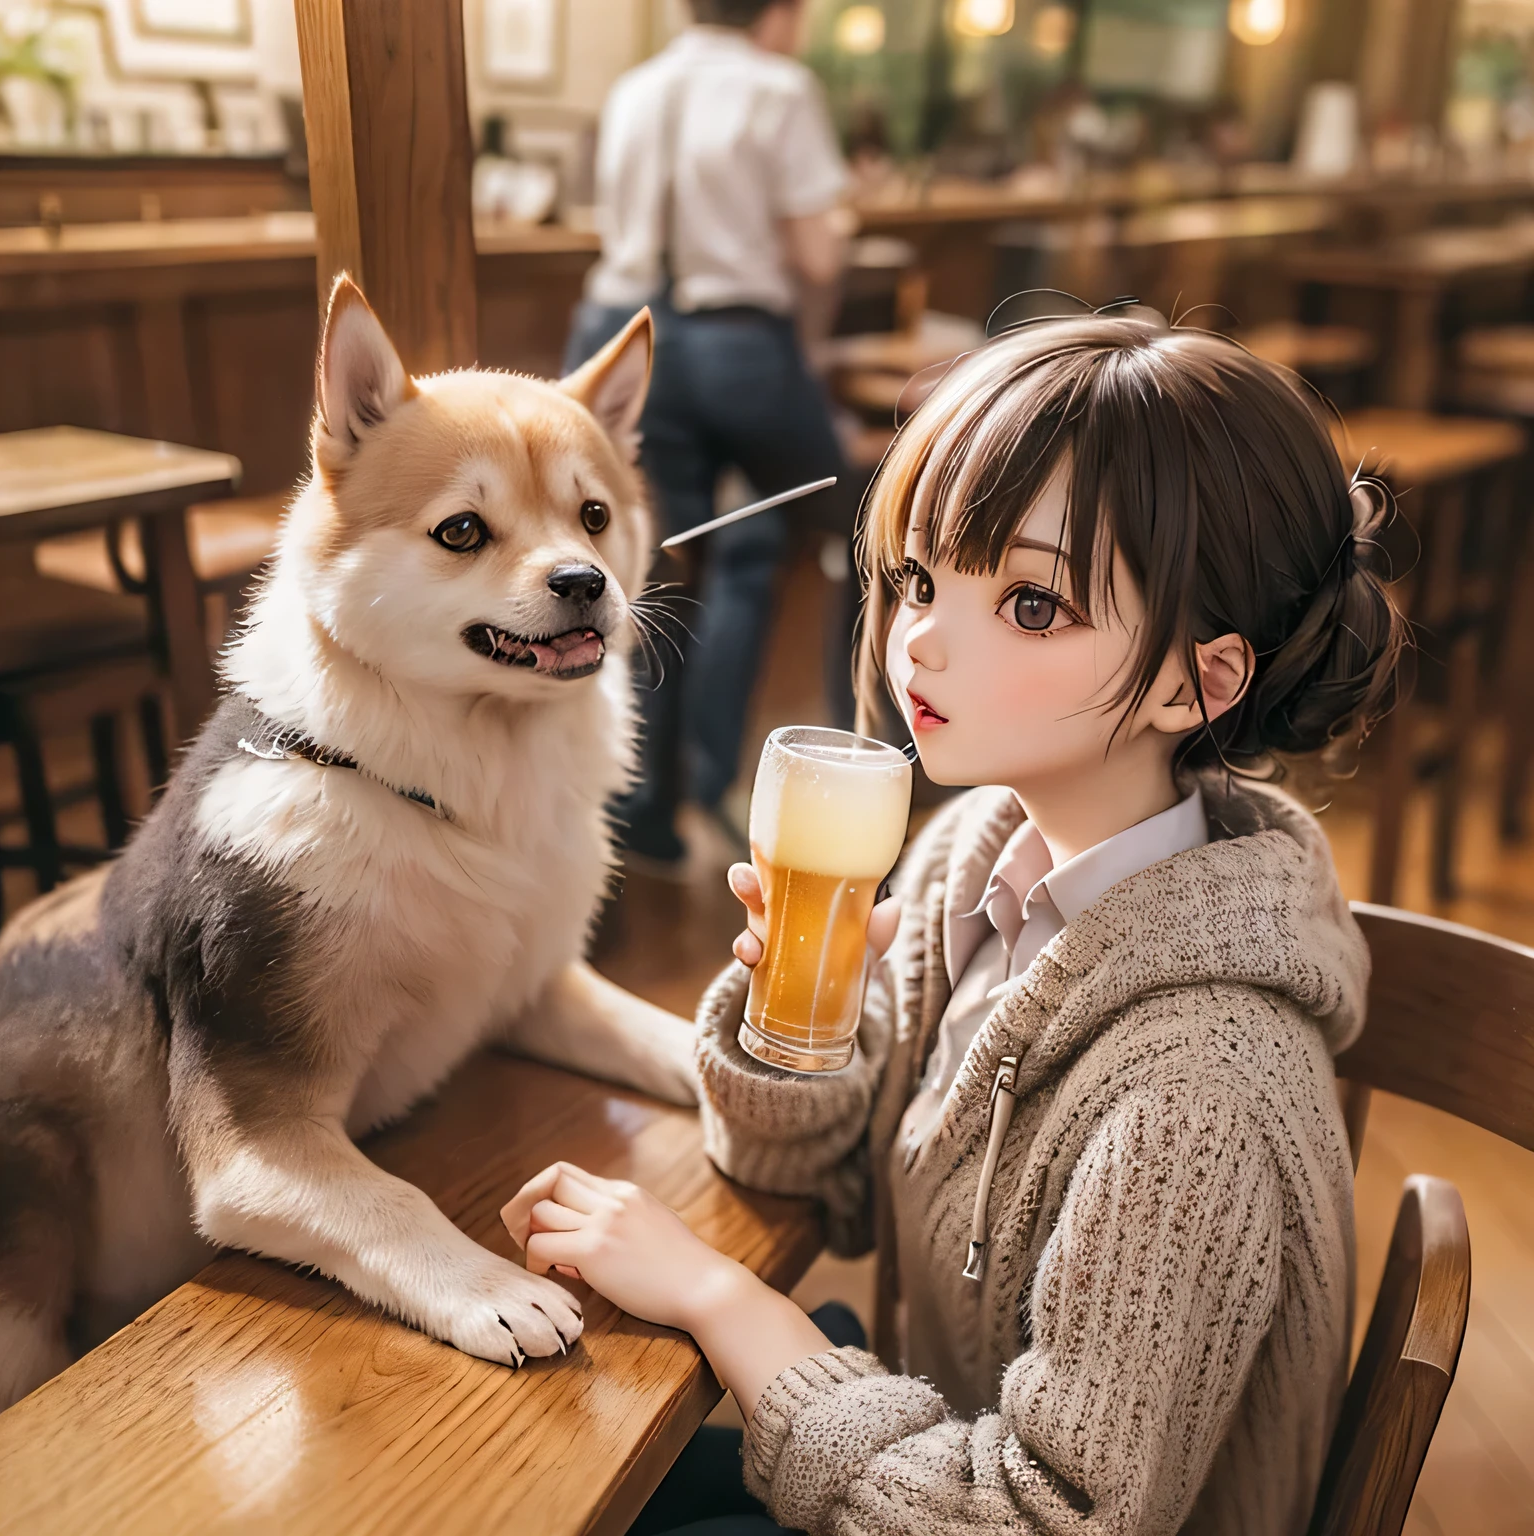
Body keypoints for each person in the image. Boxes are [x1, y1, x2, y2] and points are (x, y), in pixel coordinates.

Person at [504, 314, 1405, 1535]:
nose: (920, 634)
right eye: (922, 578)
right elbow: (824, 1183)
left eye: (1031, 604)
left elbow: (1047, 1520)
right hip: (930, 1451)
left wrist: (728, 1303)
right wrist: (795, 1024)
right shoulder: (974, 864)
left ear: (1201, 680)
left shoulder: (1196, 1093)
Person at [565, 0, 852, 869]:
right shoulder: (780, 88)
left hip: (625, 336)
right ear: (780, 10)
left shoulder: (634, 87)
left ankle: (650, 807)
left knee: (669, 558)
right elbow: (819, 257)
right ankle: (879, 762)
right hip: (737, 347)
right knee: (873, 518)